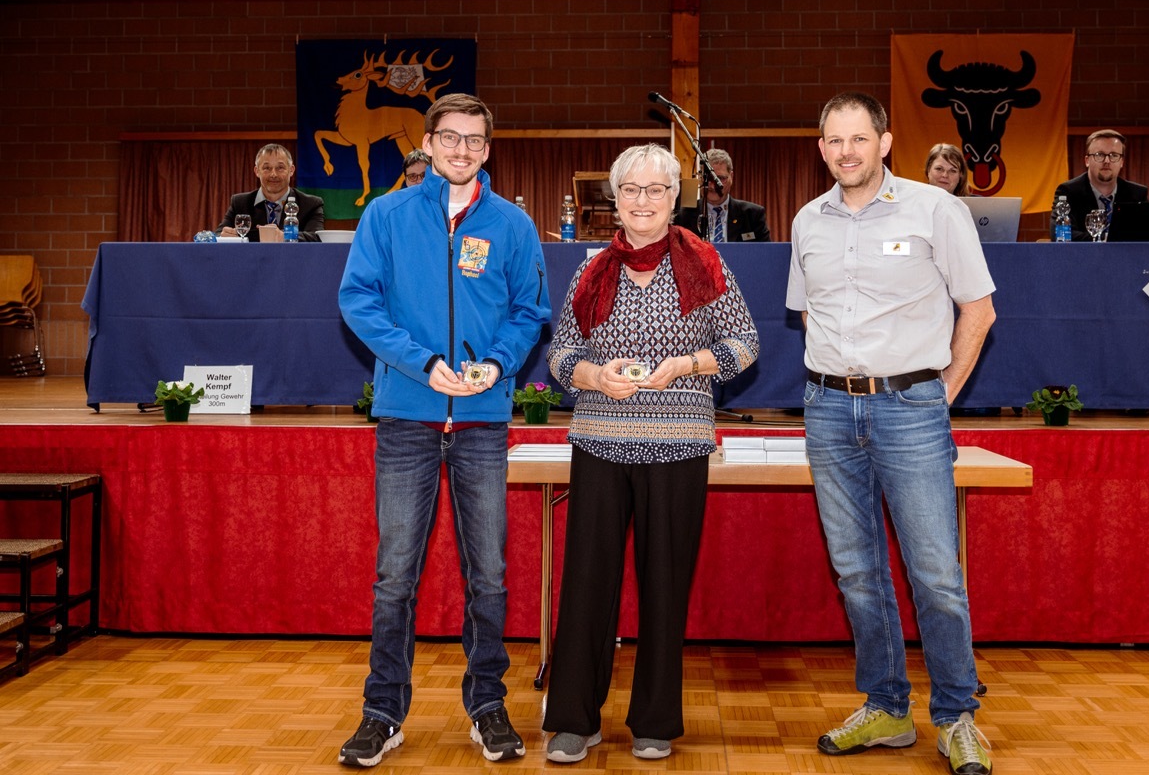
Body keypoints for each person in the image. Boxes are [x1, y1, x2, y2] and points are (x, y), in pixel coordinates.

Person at [336, 93, 552, 769]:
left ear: (488, 149)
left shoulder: (513, 224)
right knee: (394, 576)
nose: (462, 150)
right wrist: (423, 363)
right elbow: (357, 300)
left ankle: (488, 706)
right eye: (450, 138)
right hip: (408, 416)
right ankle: (382, 713)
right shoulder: (386, 215)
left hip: (482, 422)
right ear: (427, 144)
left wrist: (496, 364)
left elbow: (530, 310)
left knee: (488, 575)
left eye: (474, 140)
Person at [786, 92, 997, 775]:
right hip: (827, 410)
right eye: (834, 140)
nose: (846, 151)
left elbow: (979, 310)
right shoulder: (807, 221)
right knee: (856, 572)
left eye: (859, 138)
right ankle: (886, 707)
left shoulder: (937, 210)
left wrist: (939, 395)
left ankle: (957, 716)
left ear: (884, 142)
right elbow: (811, 314)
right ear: (822, 148)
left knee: (935, 574)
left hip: (911, 409)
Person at [542, 144, 759, 764]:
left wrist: (686, 365)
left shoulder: (707, 262)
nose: (643, 200)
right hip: (600, 441)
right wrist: (592, 375)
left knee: (665, 583)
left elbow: (745, 344)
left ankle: (655, 719)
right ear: (616, 199)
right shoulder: (591, 270)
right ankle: (573, 718)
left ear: (674, 198)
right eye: (631, 190)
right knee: (587, 582)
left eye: (656, 189)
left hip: (679, 442)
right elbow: (560, 354)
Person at [216, 143, 325, 242]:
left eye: (280, 168)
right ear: (257, 171)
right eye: (267, 168)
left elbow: (317, 238)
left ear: (291, 170)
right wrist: (224, 236)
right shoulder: (240, 203)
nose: (273, 174)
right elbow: (217, 234)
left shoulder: (311, 204)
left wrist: (286, 236)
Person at [1054, 129, 1148, 240]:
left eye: (1114, 155)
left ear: (1122, 162)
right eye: (1099, 155)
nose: (1107, 161)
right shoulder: (1068, 192)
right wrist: (1106, 239)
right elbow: (1061, 235)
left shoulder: (1137, 194)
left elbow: (1148, 234)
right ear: (1087, 161)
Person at [675, 147, 771, 242]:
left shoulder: (752, 215)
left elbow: (765, 250)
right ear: (700, 177)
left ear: (731, 176)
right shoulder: (684, 215)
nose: (713, 186)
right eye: (708, 178)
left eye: (720, 178)